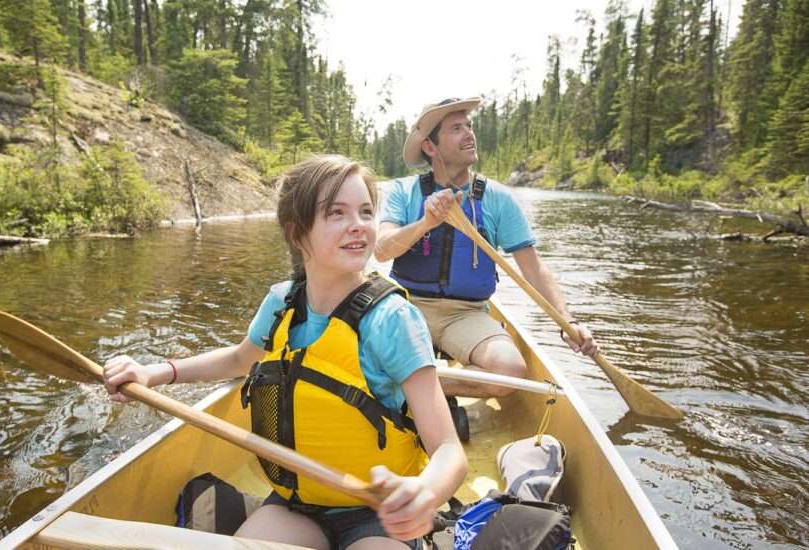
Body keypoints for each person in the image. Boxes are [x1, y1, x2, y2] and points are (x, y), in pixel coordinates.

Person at [103, 154, 467, 550]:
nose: (358, 225)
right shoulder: (282, 302)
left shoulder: (393, 319)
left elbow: (448, 450)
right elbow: (238, 360)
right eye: (336, 213)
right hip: (298, 505)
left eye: (365, 211)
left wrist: (424, 494)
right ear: (297, 234)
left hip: (377, 515)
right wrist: (154, 373)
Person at [375, 97, 600, 399]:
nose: (470, 133)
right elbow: (381, 250)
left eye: (469, 126)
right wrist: (425, 223)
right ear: (431, 147)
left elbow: (533, 268)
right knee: (362, 354)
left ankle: (413, 387)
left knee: (510, 374)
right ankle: (416, 382)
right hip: (408, 306)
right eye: (456, 129)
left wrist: (567, 320)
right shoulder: (403, 191)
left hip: (466, 314)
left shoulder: (498, 199)